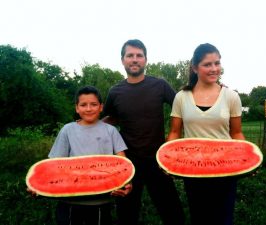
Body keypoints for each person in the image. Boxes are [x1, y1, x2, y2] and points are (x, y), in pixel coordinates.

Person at [103, 39, 185, 225]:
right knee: (126, 215)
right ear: (122, 60)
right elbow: (111, 119)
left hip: (158, 160)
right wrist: (86, 124)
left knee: (173, 214)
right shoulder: (115, 91)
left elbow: (182, 106)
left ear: (145, 60)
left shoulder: (160, 85)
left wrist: (212, 92)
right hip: (128, 161)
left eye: (139, 55)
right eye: (130, 55)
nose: (134, 59)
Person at [166, 43, 245, 225]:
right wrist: (168, 159)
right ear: (195, 68)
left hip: (226, 170)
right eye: (207, 64)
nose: (214, 69)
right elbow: (175, 132)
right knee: (199, 218)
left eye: (217, 63)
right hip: (193, 170)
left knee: (223, 219)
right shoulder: (181, 97)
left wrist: (246, 160)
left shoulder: (231, 96)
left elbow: (237, 133)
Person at [47, 85, 132, 225]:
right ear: (76, 108)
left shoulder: (111, 131)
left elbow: (122, 162)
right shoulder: (67, 130)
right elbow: (54, 165)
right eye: (83, 105)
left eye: (93, 104)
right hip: (70, 201)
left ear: (101, 107)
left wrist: (126, 182)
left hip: (101, 200)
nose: (88, 108)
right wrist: (39, 185)